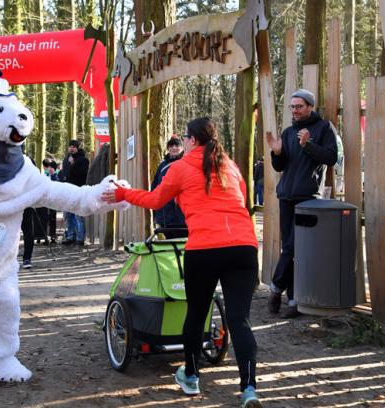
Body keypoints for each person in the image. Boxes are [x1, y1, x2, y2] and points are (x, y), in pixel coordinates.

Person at [103, 117, 262, 407]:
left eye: (186, 138)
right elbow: (241, 197)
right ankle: (249, 388)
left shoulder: (179, 167)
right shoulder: (230, 165)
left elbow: (154, 200)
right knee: (241, 321)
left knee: (197, 313)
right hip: (244, 247)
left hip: (204, 249)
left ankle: (190, 376)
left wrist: (122, 193)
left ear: (191, 140)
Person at [266, 89, 338, 319]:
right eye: (292, 107)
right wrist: (276, 153)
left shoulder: (324, 128)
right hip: (286, 196)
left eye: (299, 106)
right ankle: (294, 300)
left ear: (310, 107)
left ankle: (276, 289)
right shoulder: (288, 132)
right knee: (291, 247)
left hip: (308, 199)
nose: (295, 111)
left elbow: (331, 158)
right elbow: (280, 167)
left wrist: (308, 145)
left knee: (294, 248)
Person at [151, 137, 187, 238]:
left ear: (182, 147)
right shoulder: (162, 166)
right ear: (168, 148)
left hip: (183, 213)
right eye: (171, 146)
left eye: (177, 145)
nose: (174, 148)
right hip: (165, 213)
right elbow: (155, 186)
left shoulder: (187, 162)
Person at [62, 139, 90, 246]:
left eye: (73, 146)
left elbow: (83, 174)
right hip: (67, 190)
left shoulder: (83, 160)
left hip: (78, 190)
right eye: (70, 146)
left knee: (78, 215)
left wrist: (73, 164)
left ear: (77, 148)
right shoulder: (66, 159)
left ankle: (80, 238)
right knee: (67, 215)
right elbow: (64, 173)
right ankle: (70, 236)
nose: (71, 148)